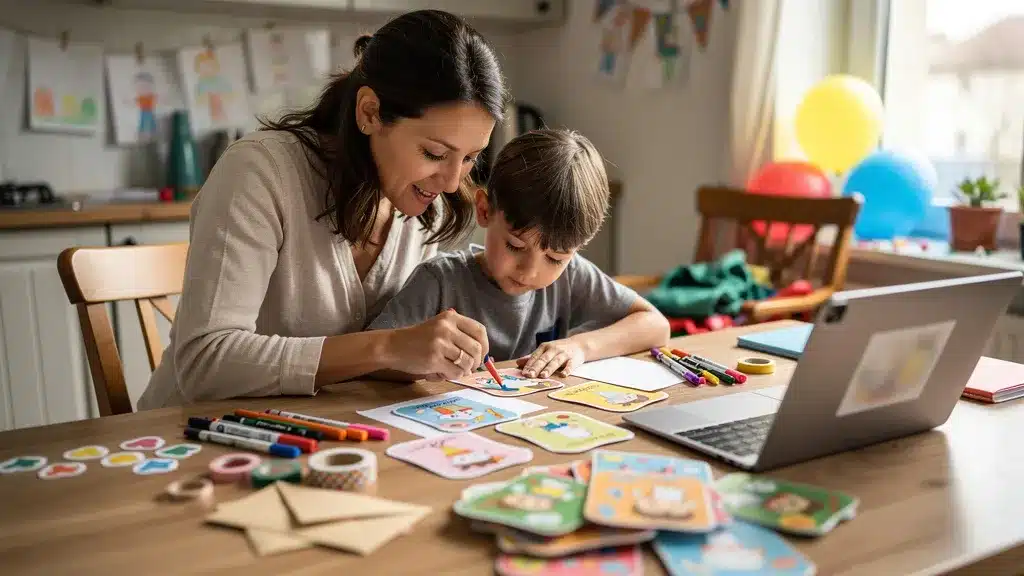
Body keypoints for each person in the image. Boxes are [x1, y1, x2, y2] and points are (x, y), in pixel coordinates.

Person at [137, 10, 508, 410]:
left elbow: (378, 363)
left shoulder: (424, 203)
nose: (453, 182)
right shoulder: (261, 172)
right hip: (189, 437)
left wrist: (426, 354)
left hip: (321, 432)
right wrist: (387, 346)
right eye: (434, 153)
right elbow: (204, 364)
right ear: (369, 113)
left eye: (471, 158)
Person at [367, 129, 670, 379]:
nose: (529, 271)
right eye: (515, 245)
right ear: (484, 210)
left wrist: (580, 347)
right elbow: (369, 360)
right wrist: (422, 363)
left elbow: (655, 325)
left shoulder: (572, 275)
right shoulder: (439, 281)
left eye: (555, 258)